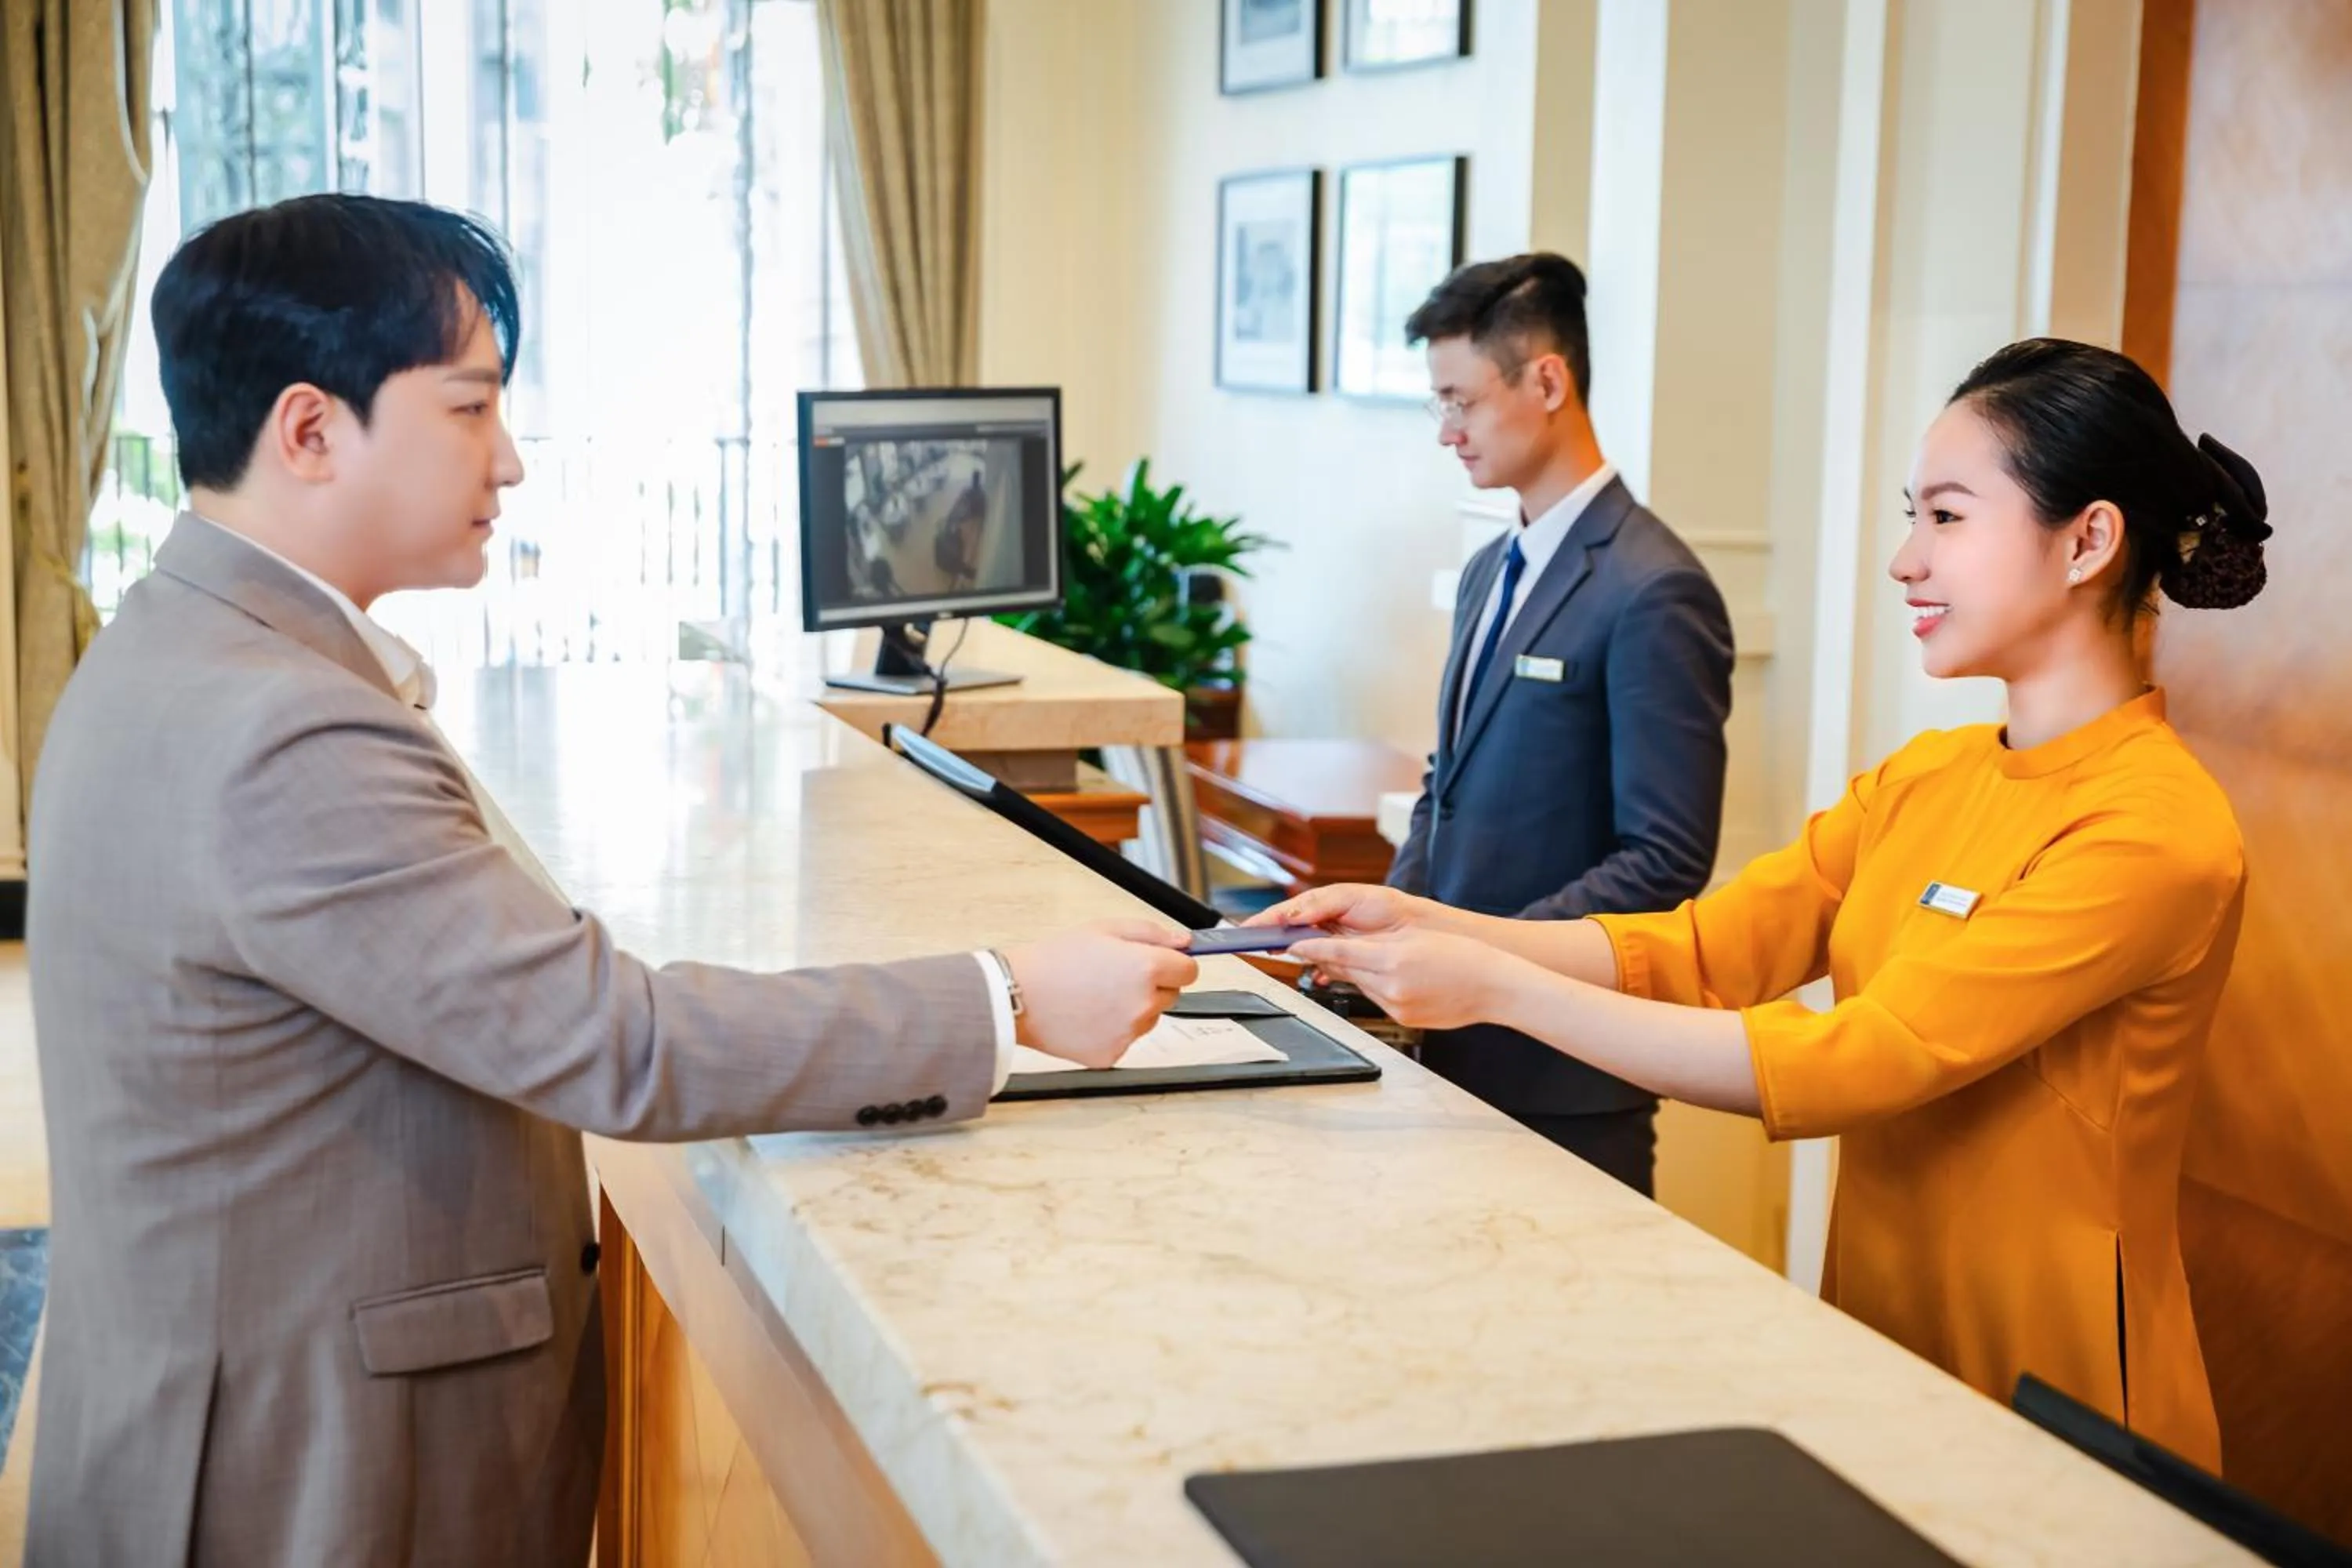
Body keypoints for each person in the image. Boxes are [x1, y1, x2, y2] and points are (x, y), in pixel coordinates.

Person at [25, 194, 1197, 1566]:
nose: (510, 460)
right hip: (310, 1464)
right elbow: (613, 1043)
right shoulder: (284, 725)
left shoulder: (185, 636)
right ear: (309, 430)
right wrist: (1005, 998)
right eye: (471, 409)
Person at [1260, 339, 2270, 1468]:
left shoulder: (2155, 830)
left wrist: (1495, 989)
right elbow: (1709, 950)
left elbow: (1859, 1058)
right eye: (1912, 516)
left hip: (2061, 1399)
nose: (1903, 560)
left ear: (2087, 539)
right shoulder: (1929, 776)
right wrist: (1436, 926)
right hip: (1883, 1347)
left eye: (1945, 517)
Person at [1385, 252, 1734, 1196]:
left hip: (1566, 1081)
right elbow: (1443, 789)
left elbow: (1664, 860)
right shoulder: (1486, 568)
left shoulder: (1655, 589)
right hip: (1443, 1050)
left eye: (1460, 400)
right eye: (1438, 404)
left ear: (1547, 380)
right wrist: (1388, 932)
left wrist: (1478, 955)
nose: (1447, 432)